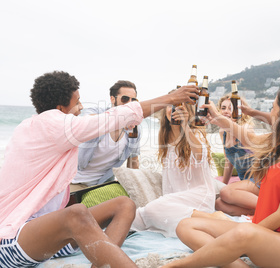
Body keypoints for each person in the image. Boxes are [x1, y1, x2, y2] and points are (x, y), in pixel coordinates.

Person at [0, 71, 198, 268]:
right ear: (60, 108)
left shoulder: (48, 126)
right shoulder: (50, 125)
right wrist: (172, 97)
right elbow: (113, 118)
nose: (82, 107)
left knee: (124, 204)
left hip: (50, 237)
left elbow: (119, 128)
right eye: (77, 102)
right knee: (76, 213)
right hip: (11, 240)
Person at [162, 83, 280, 268]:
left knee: (244, 233)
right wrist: (216, 116)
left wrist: (242, 236)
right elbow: (246, 137)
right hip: (256, 233)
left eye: (274, 107)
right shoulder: (278, 143)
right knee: (185, 225)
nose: (271, 112)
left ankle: (176, 266)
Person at [130, 90, 217, 237]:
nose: (173, 109)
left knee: (152, 209)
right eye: (170, 105)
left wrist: (185, 126)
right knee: (135, 216)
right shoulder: (165, 138)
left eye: (178, 106)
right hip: (175, 201)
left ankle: (215, 219)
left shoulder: (195, 134)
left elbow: (200, 154)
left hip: (198, 197)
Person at [71, 80, 141, 190]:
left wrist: (135, 188)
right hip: (75, 181)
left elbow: (133, 162)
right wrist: (120, 119)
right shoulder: (97, 113)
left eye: (133, 100)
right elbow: (85, 120)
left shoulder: (134, 129)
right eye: (125, 99)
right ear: (112, 99)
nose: (129, 104)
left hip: (104, 183)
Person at [214, 94, 259, 216]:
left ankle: (272, 208)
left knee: (225, 193)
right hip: (245, 181)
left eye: (231, 108)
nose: (226, 112)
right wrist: (224, 183)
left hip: (259, 179)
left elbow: (259, 159)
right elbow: (229, 161)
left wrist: (225, 189)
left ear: (239, 110)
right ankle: (259, 211)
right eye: (223, 108)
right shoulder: (222, 131)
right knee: (218, 203)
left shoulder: (245, 129)